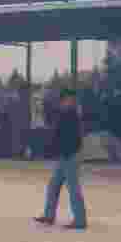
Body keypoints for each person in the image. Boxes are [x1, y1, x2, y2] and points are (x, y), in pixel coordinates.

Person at [35, 89, 88, 230]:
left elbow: (70, 137)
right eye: (68, 99)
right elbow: (56, 133)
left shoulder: (71, 114)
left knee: (73, 188)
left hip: (70, 155)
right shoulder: (63, 113)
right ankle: (49, 215)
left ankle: (80, 219)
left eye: (71, 99)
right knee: (54, 186)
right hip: (64, 155)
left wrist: (63, 151)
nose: (70, 101)